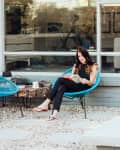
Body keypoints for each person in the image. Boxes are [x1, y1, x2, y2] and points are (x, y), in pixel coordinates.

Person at [33, 46, 98, 120]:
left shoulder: (93, 66)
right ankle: (54, 114)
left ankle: (46, 103)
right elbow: (73, 77)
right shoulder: (77, 65)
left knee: (60, 80)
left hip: (84, 86)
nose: (81, 58)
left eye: (82, 55)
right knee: (62, 88)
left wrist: (83, 80)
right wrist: (73, 76)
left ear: (86, 55)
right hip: (75, 85)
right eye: (79, 56)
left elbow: (91, 83)